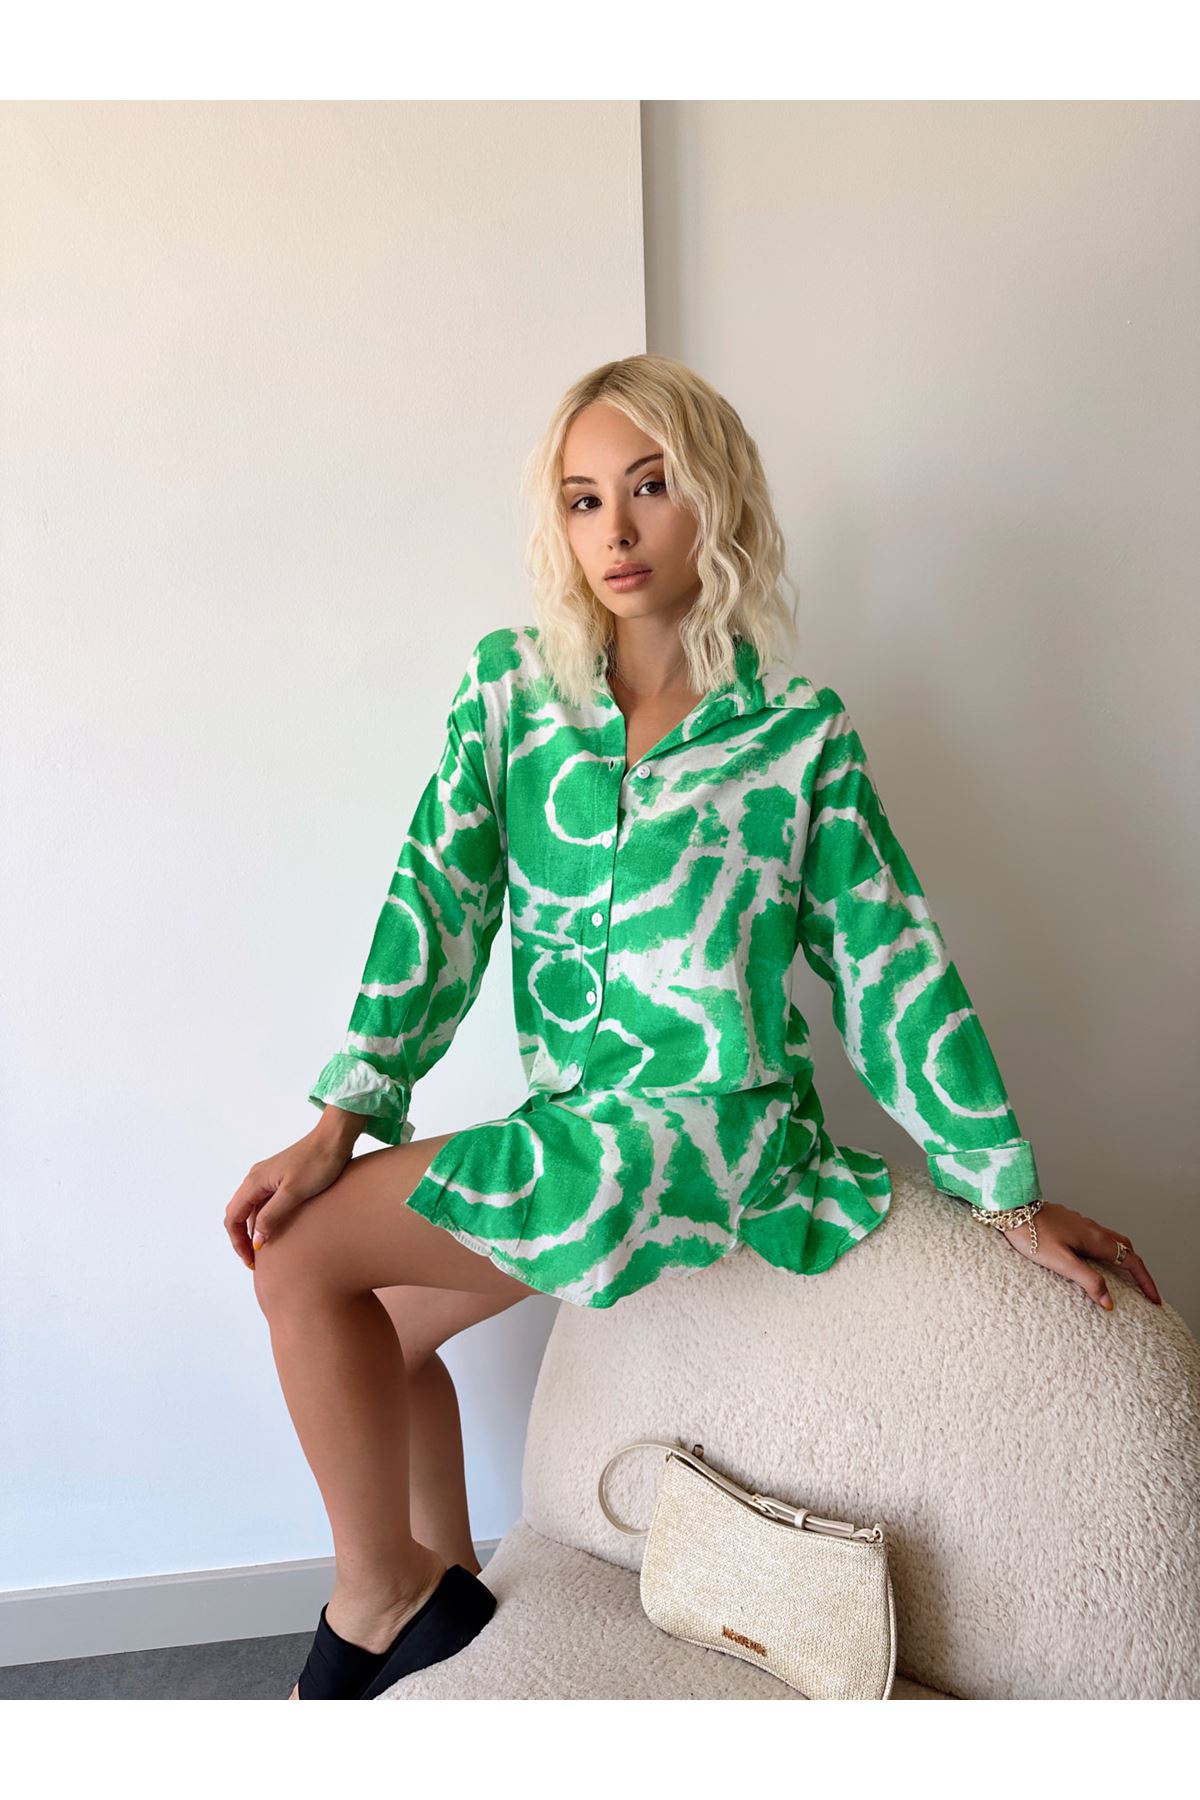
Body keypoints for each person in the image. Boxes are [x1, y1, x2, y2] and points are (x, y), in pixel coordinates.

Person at [224, 353, 1161, 1699]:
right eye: (583, 498)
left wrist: (1006, 1195)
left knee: (300, 1258)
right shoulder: (511, 698)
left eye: (650, 487)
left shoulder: (796, 737)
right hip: (579, 1127)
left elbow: (890, 965)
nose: (615, 529)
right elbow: (435, 901)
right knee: (387, 1332)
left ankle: (375, 1604)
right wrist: (343, 1120)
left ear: (712, 500)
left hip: (711, 1132)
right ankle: (446, 1609)